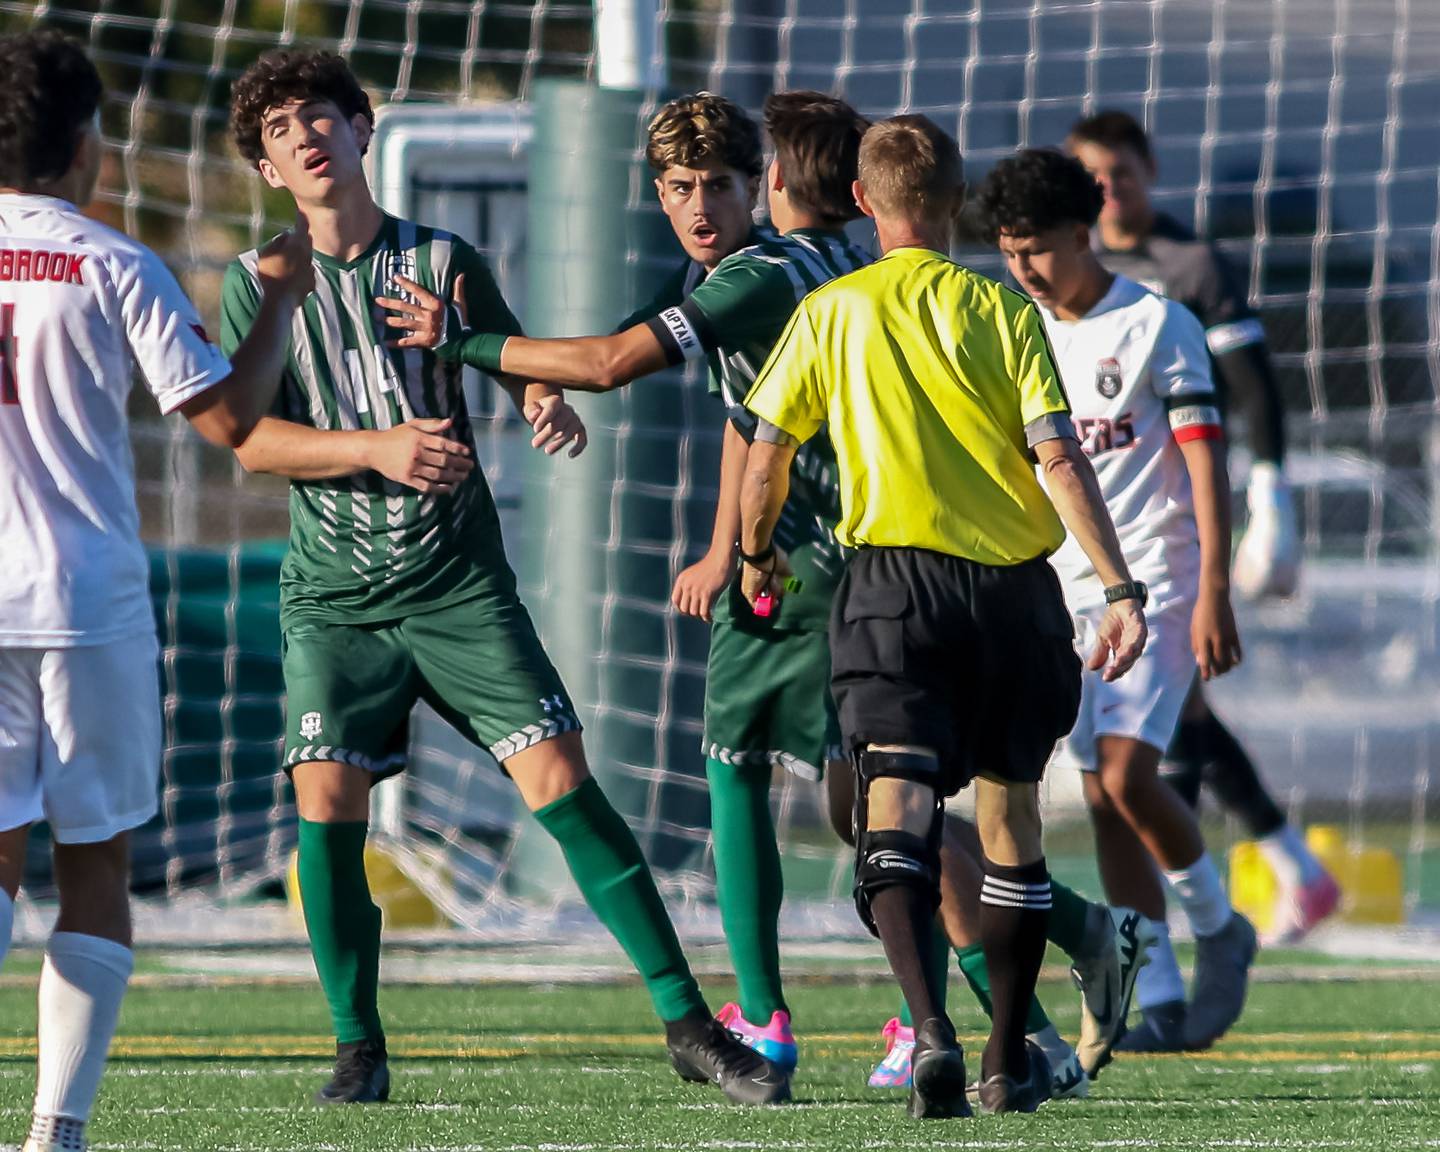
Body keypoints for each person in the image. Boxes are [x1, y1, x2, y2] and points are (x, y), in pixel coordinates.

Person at [422, 91, 1139, 1097]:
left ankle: (777, 1017)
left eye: (717, 183)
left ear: (764, 184)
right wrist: (721, 544)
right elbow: (750, 419)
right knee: (878, 805)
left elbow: (613, 362)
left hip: (827, 568)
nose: (699, 204)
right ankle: (1033, 982)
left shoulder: (764, 278)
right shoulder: (807, 273)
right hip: (854, 564)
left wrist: (467, 344)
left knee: (748, 768)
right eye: (679, 187)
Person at [220, 50, 788, 1108]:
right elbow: (248, 441)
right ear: (266, 167)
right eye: (282, 129)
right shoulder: (255, 282)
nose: (306, 136)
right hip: (331, 600)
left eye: (321, 116)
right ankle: (358, 1048)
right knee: (327, 802)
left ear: (361, 128)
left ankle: (687, 1021)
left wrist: (537, 399)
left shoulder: (441, 258)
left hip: (456, 587)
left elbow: (510, 353)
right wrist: (377, 448)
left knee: (564, 788)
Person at [738, 114, 1148, 1118]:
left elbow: (768, 449)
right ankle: (1008, 1060)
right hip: (1012, 594)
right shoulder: (1001, 310)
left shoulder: (831, 311)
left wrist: (755, 555)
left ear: (867, 204)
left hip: (891, 591)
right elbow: (1058, 456)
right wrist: (1120, 586)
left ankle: (929, 1033)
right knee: (1010, 826)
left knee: (893, 816)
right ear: (958, 206)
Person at [0, 30, 313, 1152]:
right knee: (95, 865)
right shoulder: (110, 260)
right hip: (86, 602)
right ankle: (55, 1133)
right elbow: (232, 422)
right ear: (88, 142)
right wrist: (275, 295)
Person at [978, 147, 1259, 1054]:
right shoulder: (1020, 327)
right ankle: (1161, 996)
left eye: (1038, 252)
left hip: (1163, 583)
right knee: (1101, 793)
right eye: (1009, 253)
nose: (1023, 270)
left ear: (1083, 230)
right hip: (1065, 591)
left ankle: (1221, 929)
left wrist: (1215, 589)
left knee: (1132, 775)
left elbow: (1207, 465)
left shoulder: (1156, 323)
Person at [1067, 111, 1339, 947]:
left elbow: (1254, 386)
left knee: (1140, 748)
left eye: (1124, 173)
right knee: (1172, 722)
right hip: (1093, 542)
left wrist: (1272, 498)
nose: (1112, 190)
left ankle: (1202, 923)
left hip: (1176, 532)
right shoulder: (1062, 273)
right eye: (1096, 177)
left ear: (1151, 171)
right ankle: (1288, 869)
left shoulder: (1189, 266)